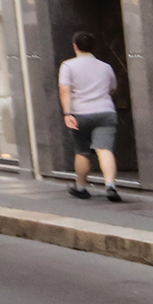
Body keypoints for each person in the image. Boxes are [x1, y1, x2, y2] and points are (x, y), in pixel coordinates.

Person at [59, 33, 121, 201]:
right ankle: (110, 186)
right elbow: (112, 89)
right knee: (104, 149)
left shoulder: (68, 66)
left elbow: (64, 90)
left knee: (83, 152)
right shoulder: (105, 66)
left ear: (74, 46)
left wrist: (67, 113)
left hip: (80, 114)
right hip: (105, 112)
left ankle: (80, 187)